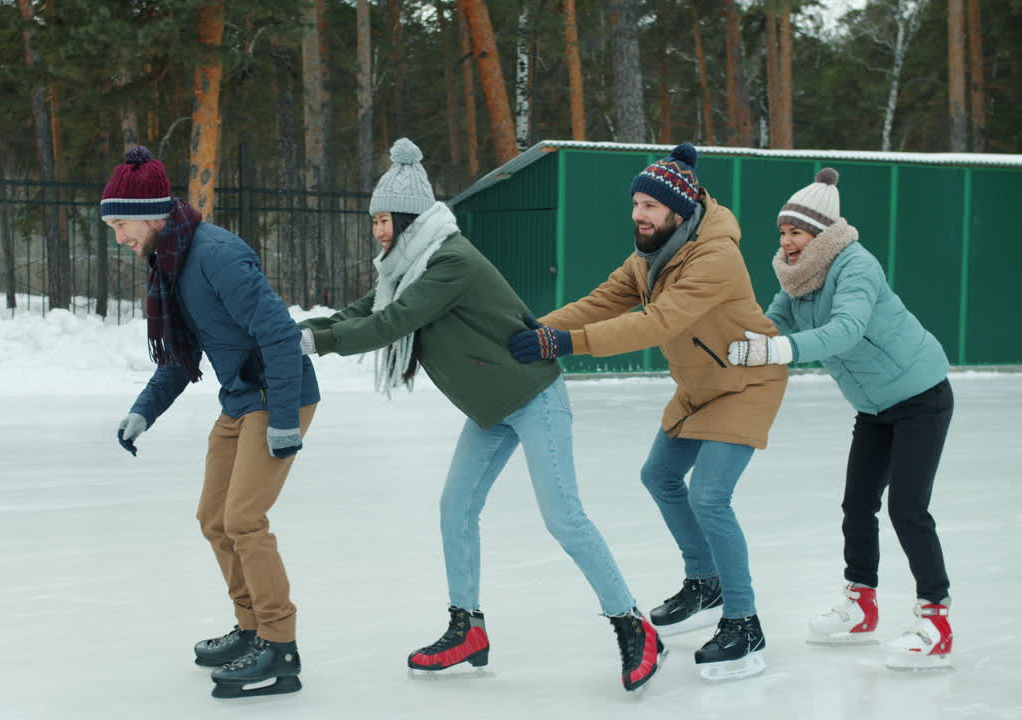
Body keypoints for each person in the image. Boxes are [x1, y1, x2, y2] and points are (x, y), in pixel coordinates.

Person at [300, 138, 664, 693]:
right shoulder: (405, 265)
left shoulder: (451, 262)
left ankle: (632, 624)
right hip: (491, 407)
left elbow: (389, 324)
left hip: (533, 396)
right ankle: (466, 627)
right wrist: (302, 331)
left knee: (564, 517)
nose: (378, 232)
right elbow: (368, 310)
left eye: (384, 220)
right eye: (372, 221)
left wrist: (315, 345)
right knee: (456, 508)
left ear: (410, 218)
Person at [508, 143, 787, 682]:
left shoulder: (715, 257)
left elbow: (655, 323)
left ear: (678, 212)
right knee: (659, 476)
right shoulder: (650, 253)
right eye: (636, 203)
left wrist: (566, 344)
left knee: (710, 496)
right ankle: (704, 581)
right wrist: (535, 329)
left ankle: (744, 619)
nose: (638, 214)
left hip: (746, 382)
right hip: (700, 384)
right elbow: (602, 300)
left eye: (650, 207)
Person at [102, 146, 319, 698]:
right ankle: (251, 629)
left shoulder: (216, 255)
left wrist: (285, 422)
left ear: (151, 215)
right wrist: (142, 411)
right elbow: (179, 359)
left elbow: (280, 337)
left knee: (244, 518)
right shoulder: (170, 262)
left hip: (275, 395)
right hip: (241, 399)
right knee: (213, 518)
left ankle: (279, 645)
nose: (118, 238)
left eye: (120, 224)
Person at [727, 168, 955, 670]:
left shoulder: (856, 265)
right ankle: (862, 606)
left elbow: (847, 329)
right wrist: (738, 340)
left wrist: (775, 351)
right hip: (874, 407)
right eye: (783, 233)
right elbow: (772, 322)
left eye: (797, 233)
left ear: (822, 234)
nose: (787, 242)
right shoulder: (798, 276)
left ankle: (935, 621)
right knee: (857, 504)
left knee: (908, 509)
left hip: (921, 396)